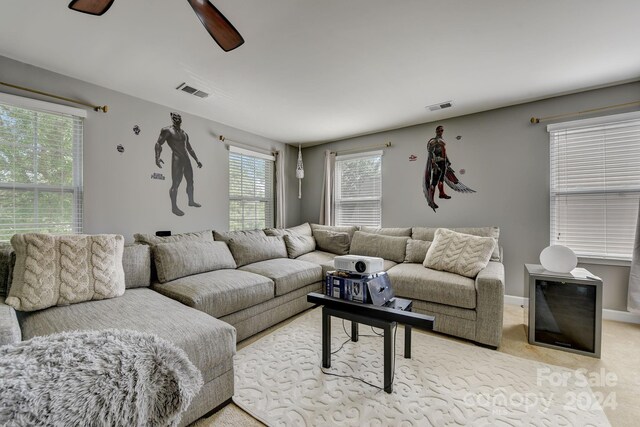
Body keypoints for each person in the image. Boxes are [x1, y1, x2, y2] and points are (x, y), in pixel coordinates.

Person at [155, 112, 202, 216]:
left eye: (179, 117)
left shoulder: (184, 133)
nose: (177, 119)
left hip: (187, 159)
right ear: (172, 118)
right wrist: (157, 157)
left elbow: (189, 148)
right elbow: (159, 143)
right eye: (175, 117)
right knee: (176, 184)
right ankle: (174, 208)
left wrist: (197, 160)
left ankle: (191, 201)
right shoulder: (167, 130)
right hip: (177, 159)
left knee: (190, 181)